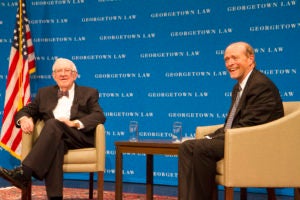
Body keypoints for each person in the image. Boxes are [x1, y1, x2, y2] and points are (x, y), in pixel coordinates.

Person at [178, 42, 284, 200]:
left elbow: (249, 126)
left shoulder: (260, 85)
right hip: (240, 138)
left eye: (234, 58)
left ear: (250, 59)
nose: (229, 63)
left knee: (201, 147)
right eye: (226, 59)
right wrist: (209, 137)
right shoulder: (239, 87)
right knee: (187, 146)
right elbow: (231, 124)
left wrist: (209, 139)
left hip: (256, 143)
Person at [0, 58, 106, 200]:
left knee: (52, 124)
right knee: (56, 143)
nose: (63, 74)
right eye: (58, 71)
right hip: (55, 138)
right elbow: (25, 111)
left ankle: (25, 172)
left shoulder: (89, 93)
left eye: (67, 70)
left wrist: (73, 123)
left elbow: (99, 116)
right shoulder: (44, 93)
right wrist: (24, 118)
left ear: (74, 75)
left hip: (78, 137)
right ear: (54, 76)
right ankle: (55, 197)